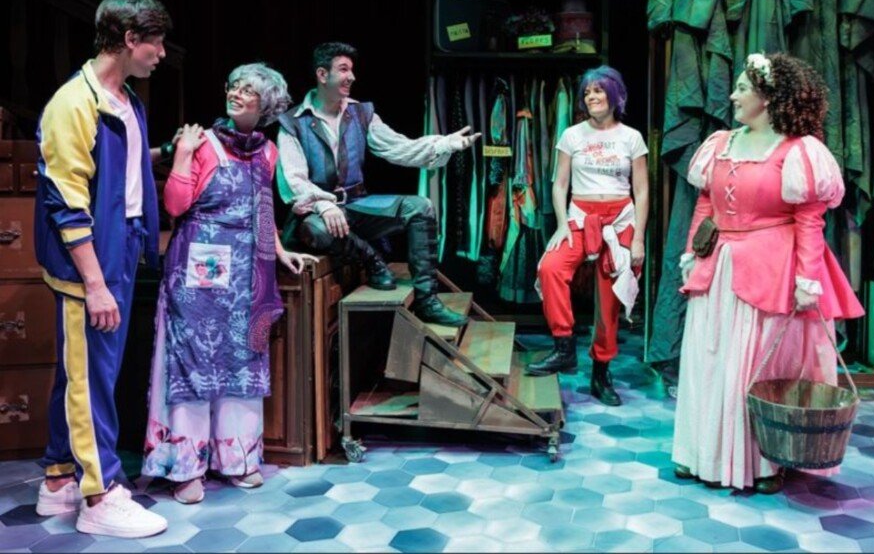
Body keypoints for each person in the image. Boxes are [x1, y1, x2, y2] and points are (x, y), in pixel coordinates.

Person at [672, 53, 865, 494]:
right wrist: (692, 253)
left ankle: (762, 462)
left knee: (754, 368)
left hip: (769, 270)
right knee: (709, 360)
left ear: (767, 97)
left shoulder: (798, 151)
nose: (733, 96)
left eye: (742, 88)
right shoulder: (720, 143)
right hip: (717, 267)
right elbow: (706, 205)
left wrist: (807, 280)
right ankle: (702, 453)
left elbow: (809, 221)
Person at [141, 63, 316, 504]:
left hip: (246, 275)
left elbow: (263, 209)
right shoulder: (204, 143)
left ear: (266, 103)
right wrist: (183, 155)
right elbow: (175, 205)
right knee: (193, 363)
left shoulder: (268, 152)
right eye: (233, 86)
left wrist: (279, 250)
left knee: (241, 362)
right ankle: (185, 467)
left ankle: (237, 459)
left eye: (246, 90)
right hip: (197, 271)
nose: (235, 94)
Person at [33, 0, 170, 538]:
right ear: (130, 40)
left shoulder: (125, 99)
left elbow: (121, 169)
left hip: (122, 246)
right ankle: (99, 493)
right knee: (91, 379)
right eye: (156, 42)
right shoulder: (74, 103)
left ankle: (59, 478)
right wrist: (93, 282)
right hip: (89, 260)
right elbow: (65, 201)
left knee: (83, 371)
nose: (162, 53)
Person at [276, 42, 480, 326]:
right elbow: (293, 180)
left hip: (358, 204)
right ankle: (371, 259)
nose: (351, 77)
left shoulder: (360, 113)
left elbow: (398, 147)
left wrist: (444, 144)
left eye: (351, 70)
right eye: (343, 70)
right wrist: (324, 204)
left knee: (420, 207)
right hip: (318, 212)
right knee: (317, 229)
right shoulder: (293, 123)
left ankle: (427, 301)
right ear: (322, 75)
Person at [526, 66, 648, 408]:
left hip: (620, 221)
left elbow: (641, 190)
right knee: (550, 268)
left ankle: (600, 374)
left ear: (614, 93)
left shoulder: (631, 137)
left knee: (609, 302)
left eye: (598, 90)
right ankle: (564, 346)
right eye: (587, 92)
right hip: (580, 218)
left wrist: (638, 237)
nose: (592, 96)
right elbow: (559, 184)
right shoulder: (572, 135)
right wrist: (562, 224)